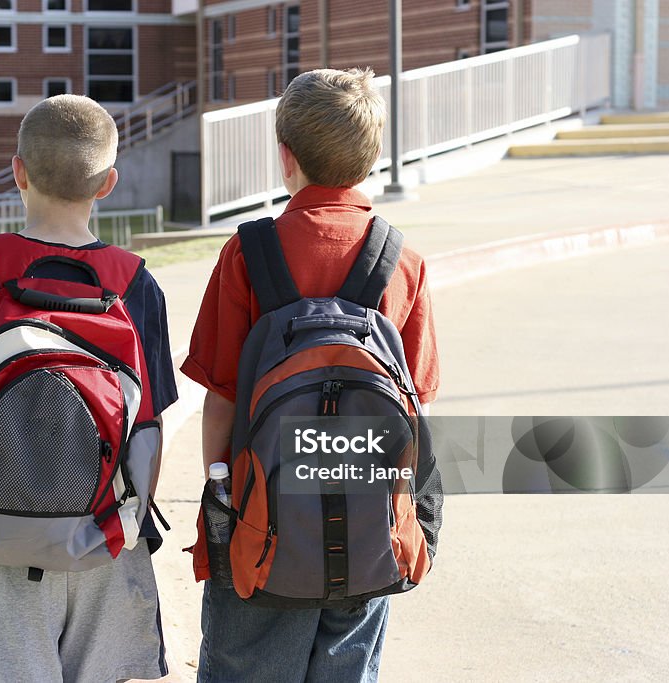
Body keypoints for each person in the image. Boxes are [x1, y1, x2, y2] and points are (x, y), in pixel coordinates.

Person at [0, 94, 178, 683]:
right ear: (108, 183)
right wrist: (130, 524)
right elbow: (150, 424)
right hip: (106, 537)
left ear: (18, 172)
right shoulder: (135, 285)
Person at [181, 68, 440, 682]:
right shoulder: (402, 260)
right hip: (366, 528)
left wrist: (223, 495)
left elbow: (221, 398)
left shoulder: (248, 254)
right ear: (372, 159)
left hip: (261, 527)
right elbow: (416, 407)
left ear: (285, 156)